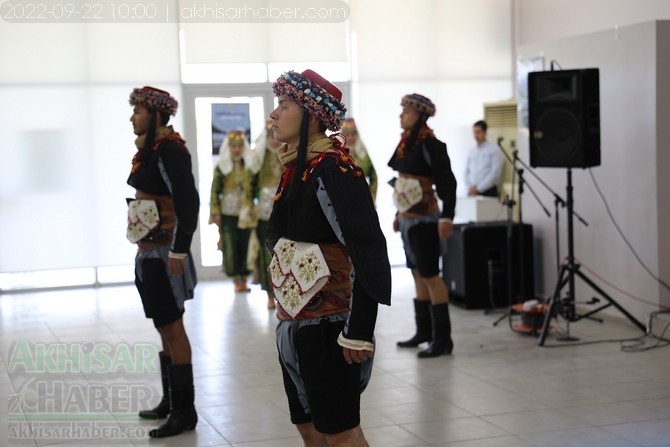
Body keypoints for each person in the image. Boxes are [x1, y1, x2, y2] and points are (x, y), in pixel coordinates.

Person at [266, 69, 391, 447]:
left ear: (312, 115)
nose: (274, 115)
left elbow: (368, 248)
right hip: (295, 320)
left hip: (330, 325)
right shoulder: (296, 168)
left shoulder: (336, 170)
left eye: (283, 105)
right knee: (309, 428)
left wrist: (359, 331)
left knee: (341, 433)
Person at [127, 86, 199, 438]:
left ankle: (185, 410)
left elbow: (189, 203)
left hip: (165, 253)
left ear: (155, 115)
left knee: (173, 327)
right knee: (162, 326)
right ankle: (171, 400)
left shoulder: (171, 150)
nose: (132, 117)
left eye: (138, 111)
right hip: (147, 252)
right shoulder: (150, 149)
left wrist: (179, 251)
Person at [389, 93, 457, 358]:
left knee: (430, 274)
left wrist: (446, 217)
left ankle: (443, 339)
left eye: (405, 111)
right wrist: (398, 214)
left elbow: (448, 184)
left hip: (426, 220)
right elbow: (404, 183)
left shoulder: (431, 145)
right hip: (408, 220)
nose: (401, 115)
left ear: (419, 115)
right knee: (416, 272)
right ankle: (424, 331)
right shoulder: (407, 143)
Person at [209, 130, 256, 293]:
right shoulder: (221, 167)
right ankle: (235, 278)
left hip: (245, 213)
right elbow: (214, 190)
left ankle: (244, 278)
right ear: (228, 147)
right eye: (233, 146)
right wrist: (215, 212)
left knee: (245, 244)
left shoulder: (249, 165)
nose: (236, 150)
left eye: (239, 146)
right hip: (227, 213)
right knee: (230, 246)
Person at [250, 121, 284, 309]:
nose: (273, 140)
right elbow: (250, 183)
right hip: (263, 212)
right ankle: (270, 294)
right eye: (270, 137)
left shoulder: (287, 153)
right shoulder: (259, 157)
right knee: (266, 253)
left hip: (284, 209)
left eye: (275, 136)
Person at [464, 120, 505, 198]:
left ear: (485, 132)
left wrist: (479, 189)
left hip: (488, 191)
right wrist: (468, 187)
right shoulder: (472, 151)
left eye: (478, 132)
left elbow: (495, 173)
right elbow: (466, 171)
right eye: (474, 132)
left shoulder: (494, 149)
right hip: (472, 192)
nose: (475, 135)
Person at [340, 118, 378, 202]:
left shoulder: (363, 153)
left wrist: (372, 195)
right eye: (347, 134)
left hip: (363, 198)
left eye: (353, 134)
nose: (350, 138)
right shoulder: (337, 154)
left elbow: (373, 176)